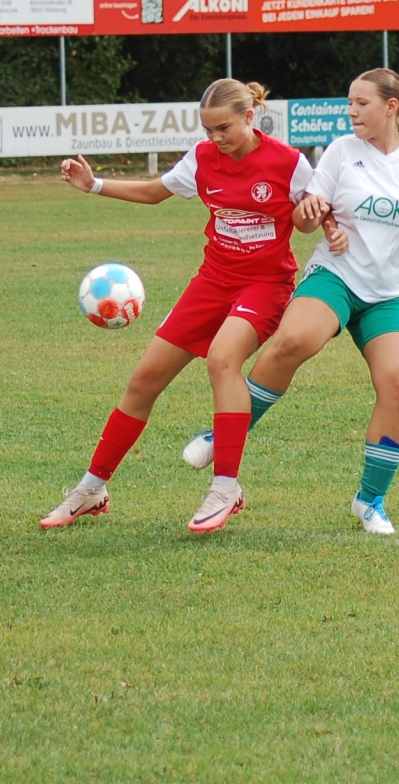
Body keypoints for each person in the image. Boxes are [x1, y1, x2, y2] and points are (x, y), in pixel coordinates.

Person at [188, 69, 399, 536]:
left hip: (393, 294)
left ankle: (370, 500)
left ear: (391, 107)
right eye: (349, 104)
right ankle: (227, 434)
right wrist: (311, 212)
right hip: (336, 277)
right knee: (292, 341)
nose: (352, 112)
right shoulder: (341, 151)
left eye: (362, 103)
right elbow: (308, 216)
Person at [41, 79, 317, 534]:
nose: (215, 138)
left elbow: (308, 223)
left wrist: (311, 218)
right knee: (144, 379)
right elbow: (155, 191)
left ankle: (225, 487)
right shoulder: (203, 158)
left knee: (222, 359)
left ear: (250, 117)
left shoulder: (290, 164)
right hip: (212, 281)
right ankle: (92, 489)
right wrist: (93, 185)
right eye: (208, 129)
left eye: (224, 128)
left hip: (265, 286)